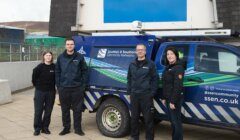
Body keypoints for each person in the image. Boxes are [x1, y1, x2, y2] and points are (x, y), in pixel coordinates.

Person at [55, 38, 88, 136]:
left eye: (71, 44)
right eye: (68, 44)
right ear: (65, 46)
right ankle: (66, 128)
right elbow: (57, 72)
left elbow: (85, 71)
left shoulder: (80, 57)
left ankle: (78, 129)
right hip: (64, 88)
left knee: (77, 110)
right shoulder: (60, 57)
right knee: (65, 109)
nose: (70, 46)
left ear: (74, 45)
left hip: (77, 88)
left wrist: (82, 86)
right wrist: (59, 86)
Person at [127, 44, 159, 140]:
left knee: (148, 119)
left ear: (145, 51)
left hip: (146, 95)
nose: (140, 51)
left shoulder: (151, 64)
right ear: (136, 52)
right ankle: (134, 137)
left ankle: (149, 138)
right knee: (134, 118)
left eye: (142, 50)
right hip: (134, 95)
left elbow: (155, 79)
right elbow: (129, 78)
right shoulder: (132, 64)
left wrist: (152, 93)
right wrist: (129, 92)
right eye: (138, 50)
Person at [162, 47, 185, 140]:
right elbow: (165, 84)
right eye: (168, 54)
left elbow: (178, 86)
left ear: (176, 55)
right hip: (168, 99)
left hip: (174, 100)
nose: (169, 56)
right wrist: (164, 97)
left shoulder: (179, 68)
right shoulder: (168, 67)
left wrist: (172, 101)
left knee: (176, 122)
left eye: (171, 54)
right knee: (172, 122)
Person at [32, 51, 56, 136]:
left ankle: (45, 128)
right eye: (47, 55)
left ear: (52, 57)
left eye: (50, 55)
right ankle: (37, 128)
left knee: (48, 111)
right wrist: (38, 86)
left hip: (51, 92)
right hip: (40, 92)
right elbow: (34, 79)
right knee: (38, 111)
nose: (48, 57)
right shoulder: (39, 67)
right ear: (44, 57)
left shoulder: (55, 67)